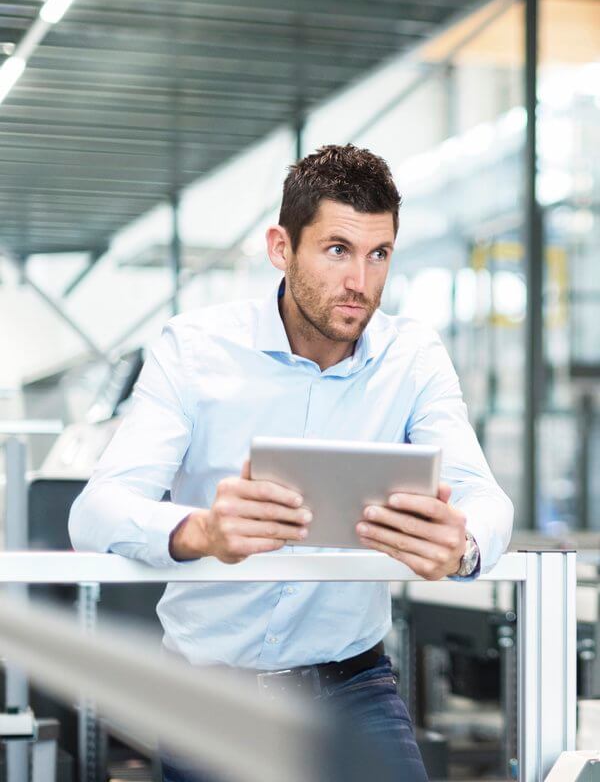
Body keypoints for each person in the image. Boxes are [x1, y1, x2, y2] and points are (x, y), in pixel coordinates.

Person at [69, 144, 513, 781]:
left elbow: (486, 497)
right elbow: (96, 512)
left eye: (378, 254)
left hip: (353, 686)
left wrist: (464, 545)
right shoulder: (194, 350)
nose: (360, 282)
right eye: (337, 250)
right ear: (282, 247)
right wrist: (201, 533)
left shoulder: (412, 356)